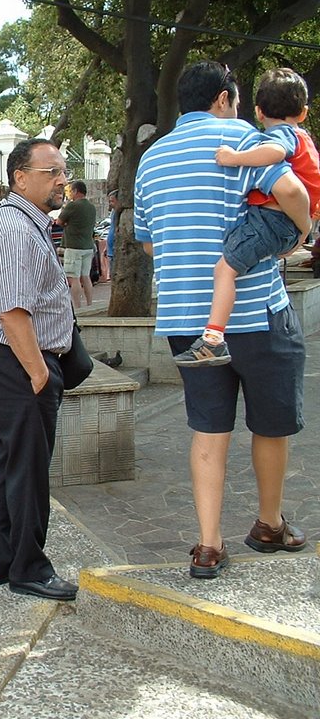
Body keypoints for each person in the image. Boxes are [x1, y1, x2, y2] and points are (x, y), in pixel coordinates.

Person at [134, 60, 308, 580]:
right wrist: (302, 234)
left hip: (188, 317)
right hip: (257, 312)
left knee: (208, 429)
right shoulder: (242, 138)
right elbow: (292, 193)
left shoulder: (152, 159)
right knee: (271, 425)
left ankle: (209, 545)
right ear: (225, 97)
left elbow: (147, 242)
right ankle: (269, 524)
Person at [0, 139, 78, 602]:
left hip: (10, 359)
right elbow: (15, 312)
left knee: (12, 463)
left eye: (63, 171)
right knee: (28, 470)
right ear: (20, 177)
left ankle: (4, 561)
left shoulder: (20, 222)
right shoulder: (16, 228)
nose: (62, 180)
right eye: (51, 171)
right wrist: (38, 372)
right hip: (19, 361)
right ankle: (29, 568)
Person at [173, 67, 319, 367]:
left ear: (259, 110)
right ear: (303, 112)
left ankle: (213, 339)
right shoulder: (302, 135)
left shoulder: (278, 136)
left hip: (275, 219)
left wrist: (235, 158)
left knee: (225, 270)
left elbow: (286, 181)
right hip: (282, 221)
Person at [56, 180, 97, 308]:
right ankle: (90, 304)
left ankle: (77, 306)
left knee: (74, 278)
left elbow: (59, 222)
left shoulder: (72, 206)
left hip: (74, 247)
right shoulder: (91, 207)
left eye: (70, 191)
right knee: (86, 276)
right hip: (88, 246)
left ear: (75, 191)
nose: (69, 194)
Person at [104, 189, 120, 282]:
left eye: (112, 201)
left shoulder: (119, 213)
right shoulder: (113, 213)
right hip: (111, 249)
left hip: (115, 250)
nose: (110, 203)